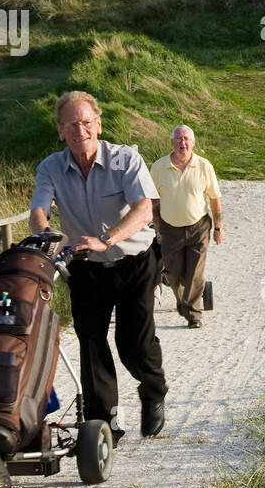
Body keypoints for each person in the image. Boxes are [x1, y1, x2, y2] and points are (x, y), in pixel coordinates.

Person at [28, 91, 167, 440]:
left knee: (133, 344)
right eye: (71, 124)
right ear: (60, 130)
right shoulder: (50, 167)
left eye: (87, 122)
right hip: (85, 265)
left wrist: (107, 239)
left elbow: (143, 210)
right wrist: (46, 234)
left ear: (98, 124)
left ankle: (154, 390)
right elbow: (38, 211)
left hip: (134, 261)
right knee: (91, 342)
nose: (81, 130)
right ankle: (103, 423)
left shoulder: (126, 160)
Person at [150, 125, 224, 328]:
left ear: (193, 143)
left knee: (195, 273)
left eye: (186, 139)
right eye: (179, 139)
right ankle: (185, 303)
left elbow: (215, 199)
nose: (183, 143)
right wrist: (156, 221)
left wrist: (218, 227)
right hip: (169, 228)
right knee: (174, 274)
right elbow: (152, 198)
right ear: (172, 142)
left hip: (198, 227)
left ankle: (193, 314)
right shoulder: (159, 167)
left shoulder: (204, 166)